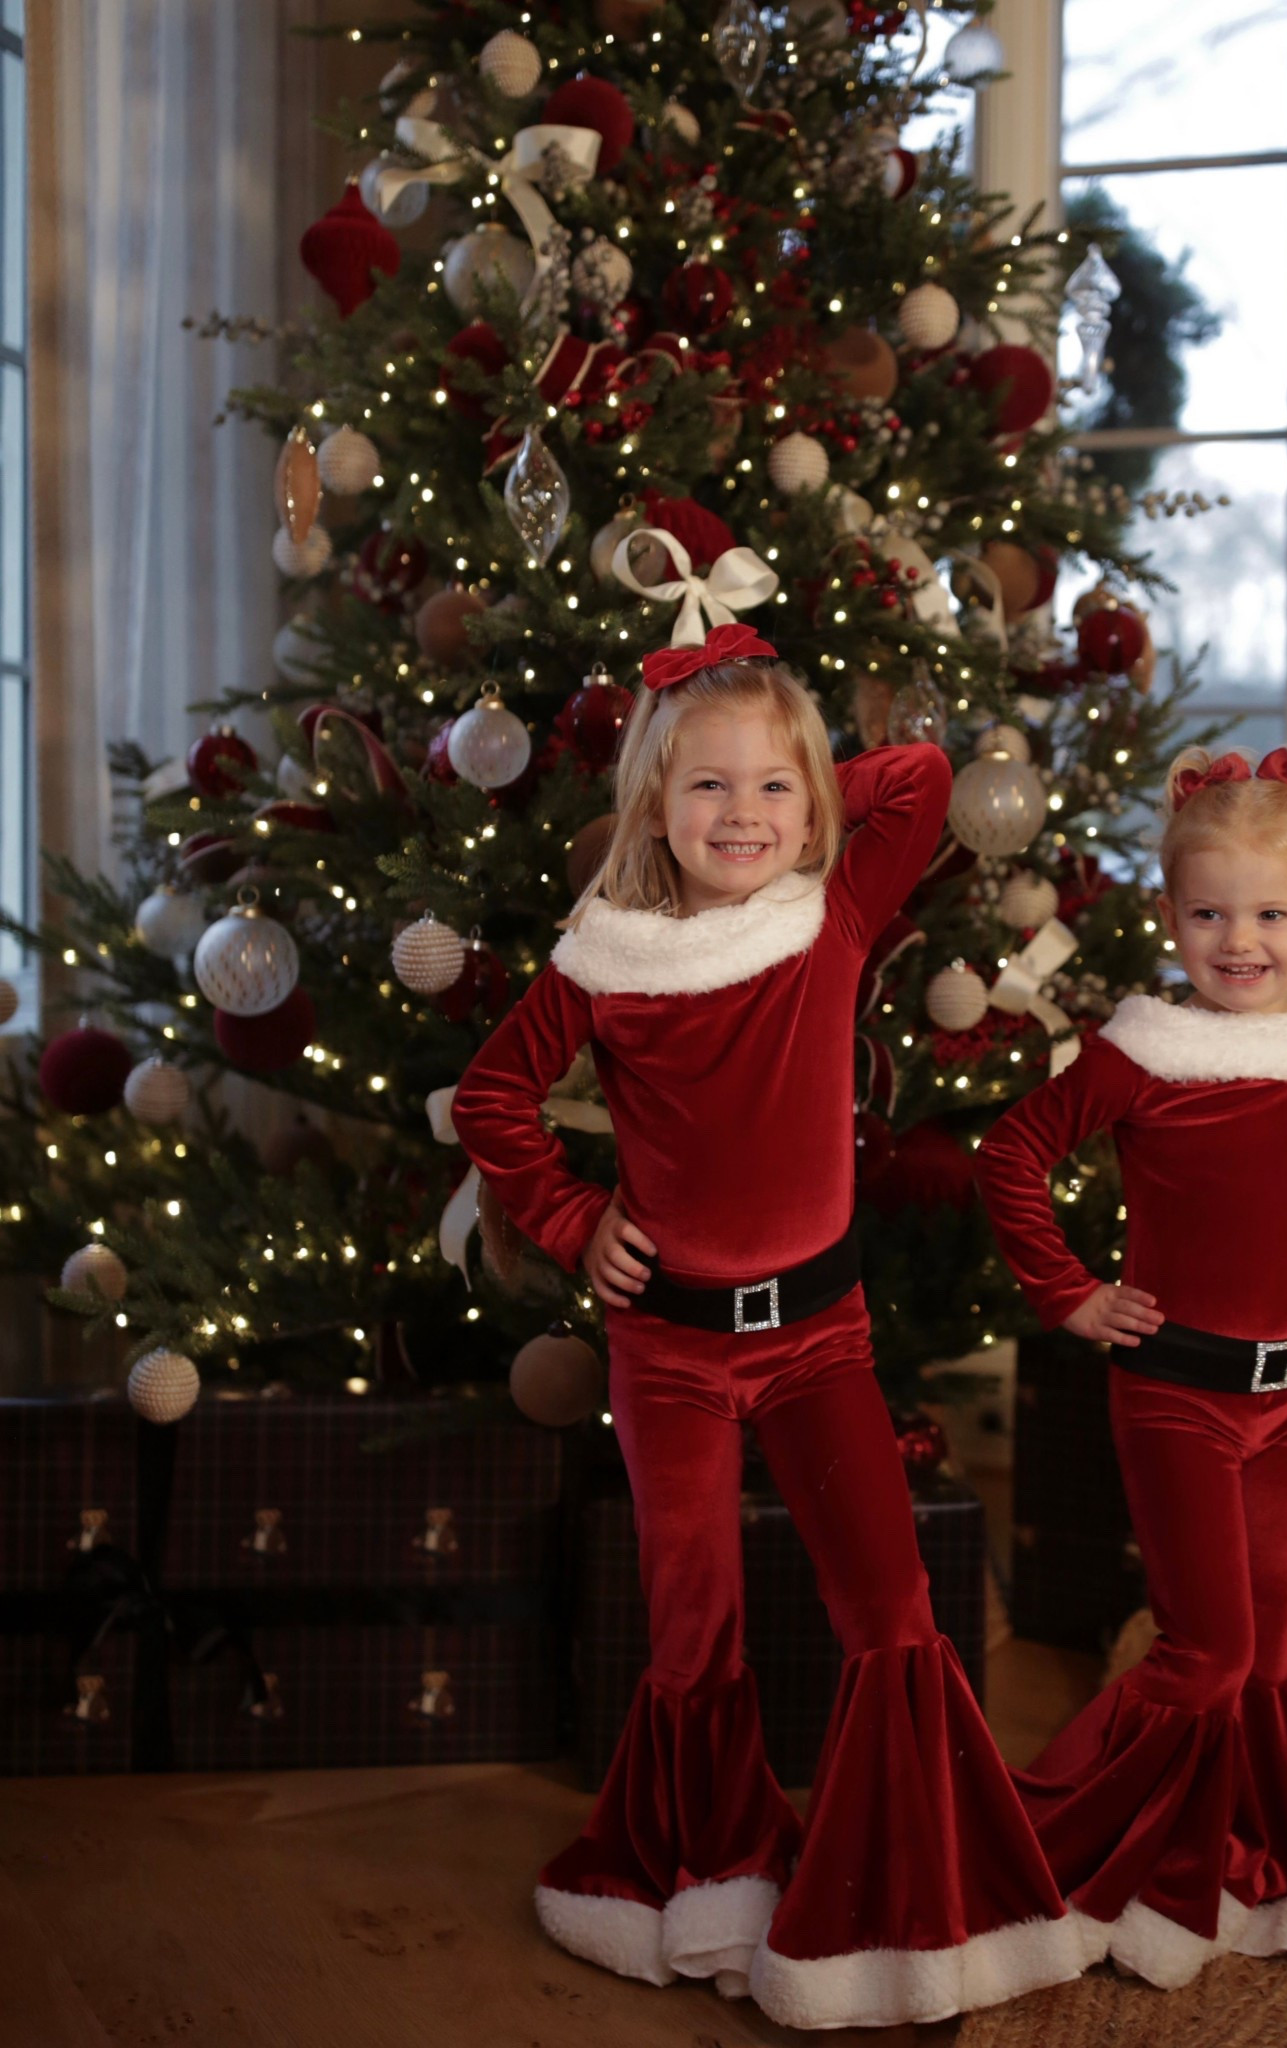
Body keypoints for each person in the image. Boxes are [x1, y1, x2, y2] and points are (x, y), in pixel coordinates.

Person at [452, 622, 1080, 2030]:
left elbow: (917, 772)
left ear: (812, 805)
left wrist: (769, 727)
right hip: (665, 1352)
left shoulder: (830, 915)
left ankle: (901, 1897)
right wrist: (567, 1222)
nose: (741, 816)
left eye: (771, 790)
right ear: (649, 808)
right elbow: (493, 1102)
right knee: (693, 1631)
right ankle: (708, 1874)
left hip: (819, 1343)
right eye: (704, 790)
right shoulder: (602, 961)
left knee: (892, 1607)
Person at [977, 742, 1287, 1989]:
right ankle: (1061, 1839)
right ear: (1170, 914)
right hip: (1178, 1393)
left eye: (1271, 913)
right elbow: (1012, 1156)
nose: (1240, 941)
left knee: (1267, 1654)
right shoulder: (1144, 1050)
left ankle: (1247, 1834)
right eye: (1209, 912)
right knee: (1204, 1651)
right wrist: (1071, 1292)